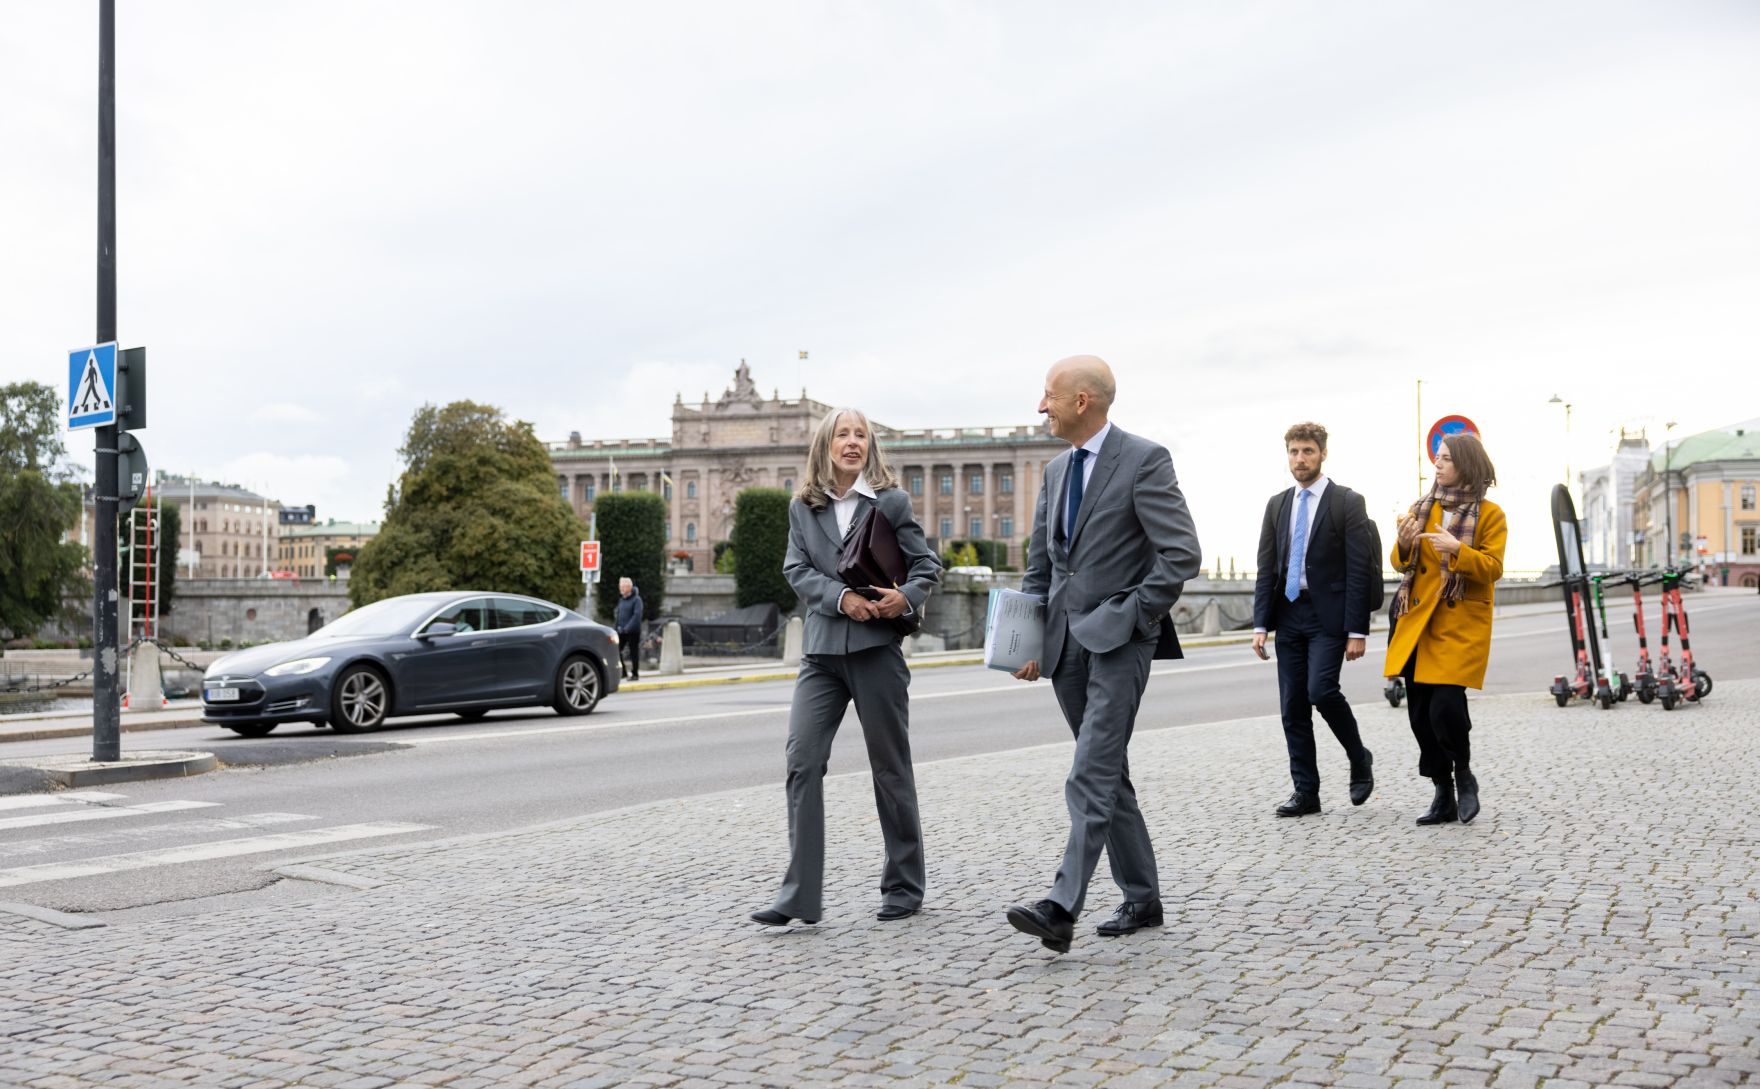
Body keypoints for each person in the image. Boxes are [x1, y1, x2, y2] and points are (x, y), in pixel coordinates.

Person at [1005, 356, 1201, 954]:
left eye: (1049, 396)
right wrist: (1030, 637)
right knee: (1109, 773)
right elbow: (1041, 565)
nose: (1042, 406)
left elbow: (1181, 555)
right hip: (1065, 648)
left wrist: (1132, 616)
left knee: (1090, 770)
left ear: (1082, 401)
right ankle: (1143, 897)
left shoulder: (1145, 459)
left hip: (1120, 643)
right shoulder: (1057, 469)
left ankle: (1062, 905)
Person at [751, 407, 941, 927]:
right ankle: (799, 894)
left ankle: (904, 885)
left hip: (878, 650)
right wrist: (840, 599)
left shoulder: (891, 502)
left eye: (861, 434)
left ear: (870, 446)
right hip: (821, 653)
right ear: (826, 445)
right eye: (843, 434)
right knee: (802, 761)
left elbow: (926, 566)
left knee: (890, 767)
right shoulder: (803, 507)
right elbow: (796, 568)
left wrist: (903, 599)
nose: (852, 442)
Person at [1251, 422, 1375, 817]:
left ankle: (1359, 757)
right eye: (1293, 452)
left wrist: (1358, 630)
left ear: (1322, 454)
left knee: (1321, 691)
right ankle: (1306, 793)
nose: (1300, 459)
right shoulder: (1277, 504)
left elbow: (1358, 569)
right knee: (1292, 706)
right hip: (1289, 613)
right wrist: (1260, 624)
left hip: (1329, 616)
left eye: (1307, 451)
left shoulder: (1346, 502)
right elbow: (1266, 566)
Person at [1384, 432, 1506, 826]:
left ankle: (1464, 776)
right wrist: (1403, 545)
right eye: (1437, 457)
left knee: (1446, 708)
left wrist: (1458, 550)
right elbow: (1402, 564)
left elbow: (1493, 568)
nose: (1437, 464)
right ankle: (1442, 792)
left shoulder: (1490, 515)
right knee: (1419, 714)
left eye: (1447, 458)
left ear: (1466, 465)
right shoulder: (1421, 508)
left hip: (1459, 623)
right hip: (1418, 621)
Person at [613, 577, 644, 680]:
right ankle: (623, 672)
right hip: (621, 631)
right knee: (616, 651)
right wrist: (616, 628)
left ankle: (635, 674)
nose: (621, 588)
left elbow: (637, 616)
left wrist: (627, 628)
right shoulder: (621, 600)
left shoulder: (637, 600)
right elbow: (618, 615)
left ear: (629, 587)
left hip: (633, 631)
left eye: (623, 586)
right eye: (620, 586)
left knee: (633, 652)